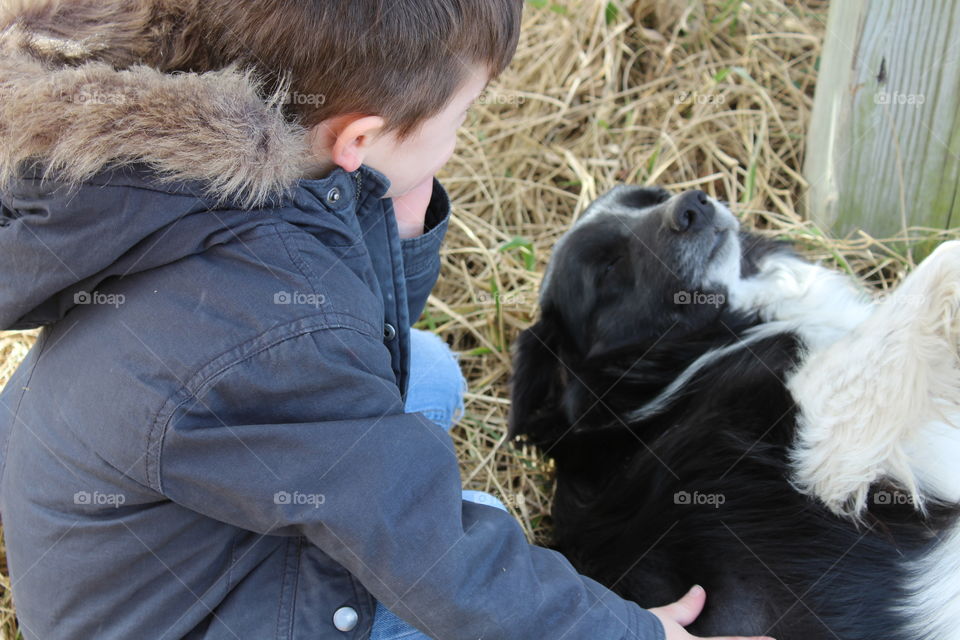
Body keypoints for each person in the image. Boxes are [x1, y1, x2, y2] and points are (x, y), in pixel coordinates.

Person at [0, 1, 774, 639]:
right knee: (482, 529)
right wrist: (628, 634)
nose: (462, 134)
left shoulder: (233, 150)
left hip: (126, 517)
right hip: (167, 616)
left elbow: (354, 324)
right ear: (360, 139)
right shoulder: (267, 333)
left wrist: (396, 223)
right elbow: (427, 550)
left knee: (429, 371)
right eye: (464, 113)